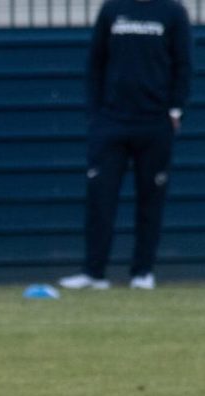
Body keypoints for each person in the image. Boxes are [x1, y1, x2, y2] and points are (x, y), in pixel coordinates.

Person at [58, 0, 192, 291]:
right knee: (100, 199)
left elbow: (183, 64)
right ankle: (94, 272)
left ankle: (142, 272)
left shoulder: (173, 12)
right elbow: (96, 62)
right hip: (111, 122)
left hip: (155, 122)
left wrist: (175, 110)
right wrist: (95, 115)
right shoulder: (112, 9)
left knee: (150, 199)